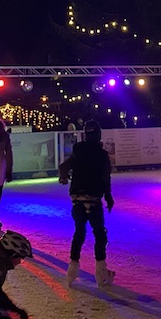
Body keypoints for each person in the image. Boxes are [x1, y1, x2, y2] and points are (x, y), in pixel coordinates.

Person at [59, 120, 115, 287]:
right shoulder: (102, 155)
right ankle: (100, 271)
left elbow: (64, 166)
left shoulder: (78, 150)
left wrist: (63, 177)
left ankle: (72, 268)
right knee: (99, 233)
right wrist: (109, 197)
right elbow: (106, 178)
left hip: (77, 198)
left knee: (79, 232)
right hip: (94, 198)